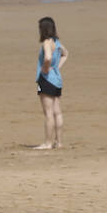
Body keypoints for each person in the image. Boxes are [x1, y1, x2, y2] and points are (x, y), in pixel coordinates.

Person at [33, 17, 68, 150]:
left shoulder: (47, 43)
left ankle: (48, 143)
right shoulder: (57, 42)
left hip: (46, 80)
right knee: (57, 112)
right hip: (57, 80)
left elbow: (47, 57)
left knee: (48, 113)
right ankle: (59, 142)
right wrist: (57, 67)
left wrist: (46, 68)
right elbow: (66, 54)